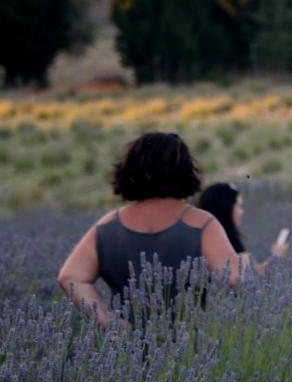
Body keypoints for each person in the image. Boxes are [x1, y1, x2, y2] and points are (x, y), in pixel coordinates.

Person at [57, 132, 240, 327]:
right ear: (185, 170)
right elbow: (235, 278)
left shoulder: (108, 226)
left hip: (127, 350)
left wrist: (111, 323)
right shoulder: (201, 223)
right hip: (192, 349)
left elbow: (70, 277)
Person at [197, 182, 288, 275]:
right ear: (226, 208)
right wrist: (277, 256)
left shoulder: (198, 235)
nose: (242, 212)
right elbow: (255, 276)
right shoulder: (227, 242)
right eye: (239, 206)